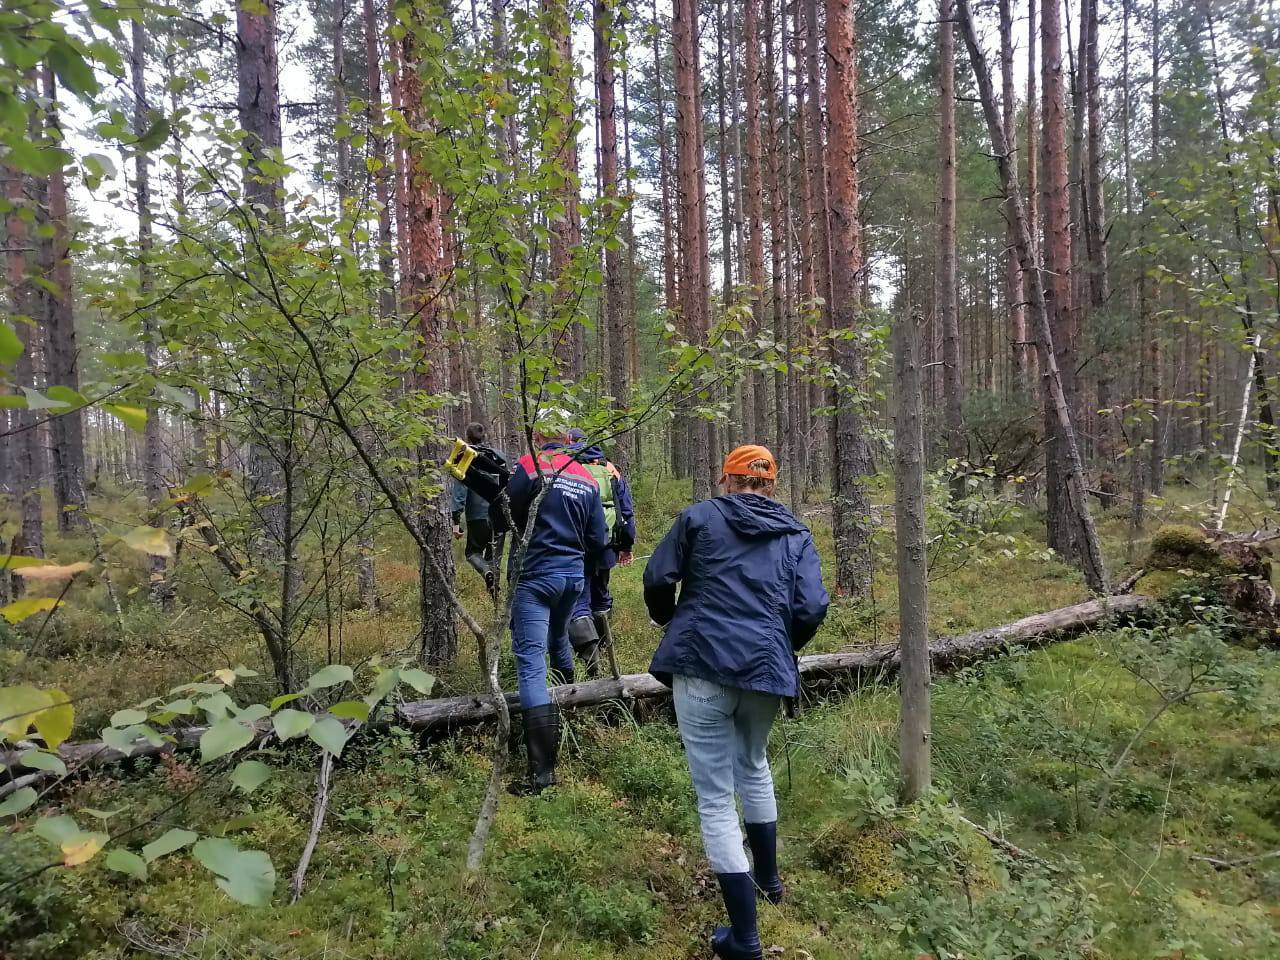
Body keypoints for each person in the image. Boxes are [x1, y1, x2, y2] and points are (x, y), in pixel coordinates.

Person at [643, 445, 829, 960]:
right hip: (766, 668)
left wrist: (670, 621)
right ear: (769, 483)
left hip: (701, 660)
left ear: (726, 478)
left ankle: (745, 939)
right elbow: (811, 606)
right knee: (754, 764)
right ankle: (768, 882)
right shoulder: (794, 533)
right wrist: (780, 641)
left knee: (715, 796)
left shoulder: (699, 518)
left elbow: (658, 578)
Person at [503, 415, 609, 794]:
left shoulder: (529, 465)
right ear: (566, 437)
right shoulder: (583, 475)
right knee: (559, 641)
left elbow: (506, 513)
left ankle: (542, 775)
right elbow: (599, 538)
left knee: (531, 665)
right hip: (572, 578)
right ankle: (570, 707)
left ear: (535, 436)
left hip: (534, 577)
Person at [564, 428, 636, 677]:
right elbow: (626, 510)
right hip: (606, 543)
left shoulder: (565, 467)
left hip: (575, 543)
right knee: (601, 595)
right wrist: (626, 545)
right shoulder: (610, 468)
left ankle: (591, 658)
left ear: (569, 441)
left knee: (579, 599)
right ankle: (605, 648)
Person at [451, 422, 508, 597]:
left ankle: (486, 572)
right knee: (495, 556)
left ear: (467, 436)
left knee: (472, 552)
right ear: (484, 436)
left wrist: (455, 521)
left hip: (477, 515)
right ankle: (495, 597)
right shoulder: (499, 457)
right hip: (499, 514)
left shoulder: (465, 456)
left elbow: (460, 491)